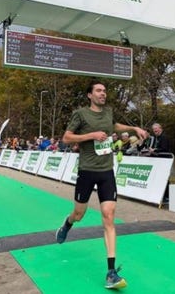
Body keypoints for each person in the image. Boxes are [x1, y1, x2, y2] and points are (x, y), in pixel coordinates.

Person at [55, 81, 147, 289]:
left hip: (106, 171)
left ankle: (111, 272)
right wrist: (91, 135)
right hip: (87, 171)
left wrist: (134, 127)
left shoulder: (108, 112)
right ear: (89, 95)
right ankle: (68, 223)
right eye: (98, 91)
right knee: (79, 213)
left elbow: (114, 126)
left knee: (109, 216)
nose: (103, 94)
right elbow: (67, 137)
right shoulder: (80, 114)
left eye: (104, 91)